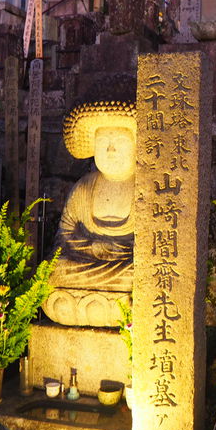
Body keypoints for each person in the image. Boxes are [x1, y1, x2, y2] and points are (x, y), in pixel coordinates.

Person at [43, 100, 137, 326]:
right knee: (53, 270)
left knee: (140, 276)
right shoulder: (85, 186)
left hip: (124, 268)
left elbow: (152, 241)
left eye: (120, 142)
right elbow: (63, 235)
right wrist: (90, 247)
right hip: (84, 265)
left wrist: (117, 250)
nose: (110, 150)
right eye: (103, 142)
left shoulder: (144, 187)